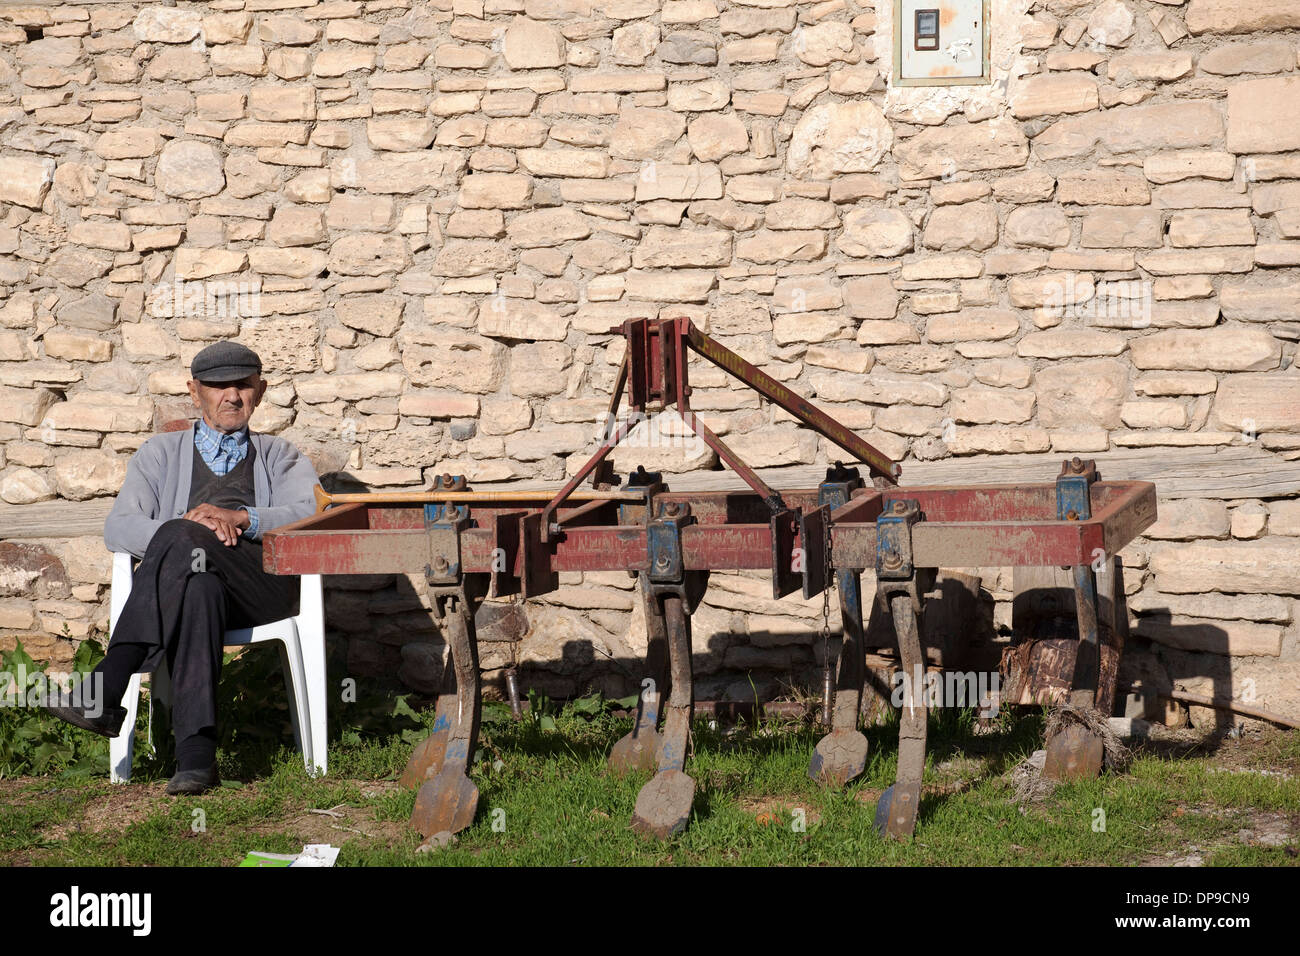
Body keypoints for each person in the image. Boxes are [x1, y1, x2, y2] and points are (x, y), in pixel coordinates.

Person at [44, 341, 321, 794]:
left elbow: (312, 512)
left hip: (261, 589)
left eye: (243, 386)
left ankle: (107, 684)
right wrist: (189, 530)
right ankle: (196, 758)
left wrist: (243, 518)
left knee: (184, 533)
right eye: (217, 386)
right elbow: (120, 526)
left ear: (261, 390)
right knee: (197, 586)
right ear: (195, 392)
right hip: (192, 590)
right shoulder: (160, 453)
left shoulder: (279, 454)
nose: (231, 396)